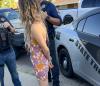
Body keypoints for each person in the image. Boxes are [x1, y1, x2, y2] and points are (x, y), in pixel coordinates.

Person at [18, 0, 53, 86]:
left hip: (40, 62)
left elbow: (45, 48)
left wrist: (49, 59)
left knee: (43, 83)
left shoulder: (35, 26)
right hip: (39, 61)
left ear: (25, 9)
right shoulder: (37, 22)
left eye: (20, 8)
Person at [40, 0, 62, 86]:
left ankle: (56, 82)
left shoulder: (49, 5)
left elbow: (59, 21)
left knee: (52, 60)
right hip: (37, 40)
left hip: (49, 39)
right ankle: (47, 78)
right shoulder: (32, 5)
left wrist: (47, 17)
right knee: (42, 60)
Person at [0, 15, 21, 86]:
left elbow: (13, 30)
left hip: (9, 51)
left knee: (15, 75)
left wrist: (9, 26)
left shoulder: (2, 17)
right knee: (0, 79)